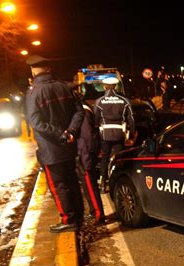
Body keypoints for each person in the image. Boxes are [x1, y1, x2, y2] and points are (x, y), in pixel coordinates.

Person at [25, 55, 85, 233]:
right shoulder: (64, 87)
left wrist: (60, 135)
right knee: (72, 181)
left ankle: (68, 219)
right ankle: (79, 216)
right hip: (69, 145)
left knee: (58, 185)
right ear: (49, 69)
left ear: (34, 71)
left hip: (51, 149)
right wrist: (71, 132)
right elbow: (79, 112)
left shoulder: (33, 92)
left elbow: (36, 122)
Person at [94, 77, 136, 193]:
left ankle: (102, 183)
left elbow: (95, 120)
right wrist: (132, 133)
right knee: (118, 159)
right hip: (119, 134)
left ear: (104, 87)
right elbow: (131, 118)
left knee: (105, 158)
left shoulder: (99, 101)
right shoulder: (124, 100)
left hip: (105, 135)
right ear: (116, 86)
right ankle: (117, 182)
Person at [76, 94, 105, 224]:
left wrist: (85, 156)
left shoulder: (82, 112)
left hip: (85, 153)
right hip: (85, 152)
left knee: (89, 183)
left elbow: (87, 136)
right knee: (88, 183)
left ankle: (98, 214)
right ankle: (94, 211)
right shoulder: (85, 108)